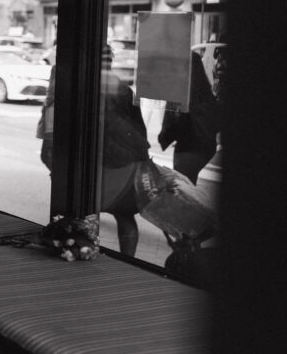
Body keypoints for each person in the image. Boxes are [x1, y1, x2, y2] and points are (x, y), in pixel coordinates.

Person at [38, 44, 150, 256]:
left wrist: (57, 162)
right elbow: (139, 130)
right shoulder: (125, 90)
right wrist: (142, 160)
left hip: (92, 162)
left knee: (87, 212)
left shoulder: (79, 89)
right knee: (125, 215)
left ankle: (87, 251)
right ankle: (128, 260)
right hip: (125, 164)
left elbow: (60, 130)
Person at [158, 51, 221, 184]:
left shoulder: (179, 93)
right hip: (206, 149)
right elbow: (216, 121)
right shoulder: (206, 94)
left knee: (181, 188)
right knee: (188, 184)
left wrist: (163, 138)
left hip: (187, 150)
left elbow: (172, 125)